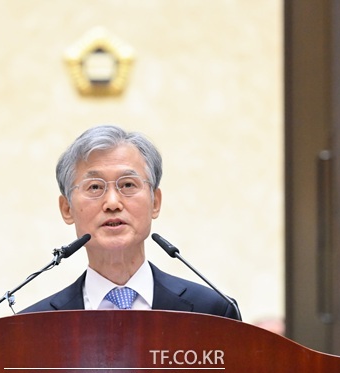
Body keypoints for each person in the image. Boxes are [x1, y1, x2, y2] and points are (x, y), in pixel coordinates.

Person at [20, 124, 240, 319]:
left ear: (155, 202)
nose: (112, 203)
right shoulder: (32, 327)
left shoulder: (212, 312)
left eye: (127, 185)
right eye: (95, 187)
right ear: (67, 209)